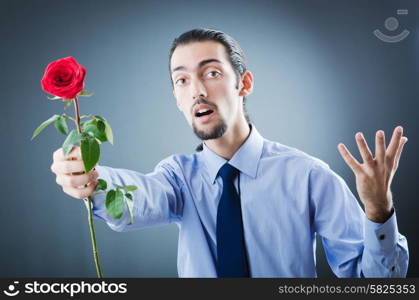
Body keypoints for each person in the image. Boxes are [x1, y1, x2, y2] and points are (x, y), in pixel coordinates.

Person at [50, 28, 409, 278]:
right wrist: (94, 178)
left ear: (244, 83)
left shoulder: (309, 176)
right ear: (176, 97)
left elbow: (374, 281)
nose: (197, 90)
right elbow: (139, 196)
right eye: (182, 80)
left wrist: (379, 212)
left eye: (212, 73)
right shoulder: (177, 177)